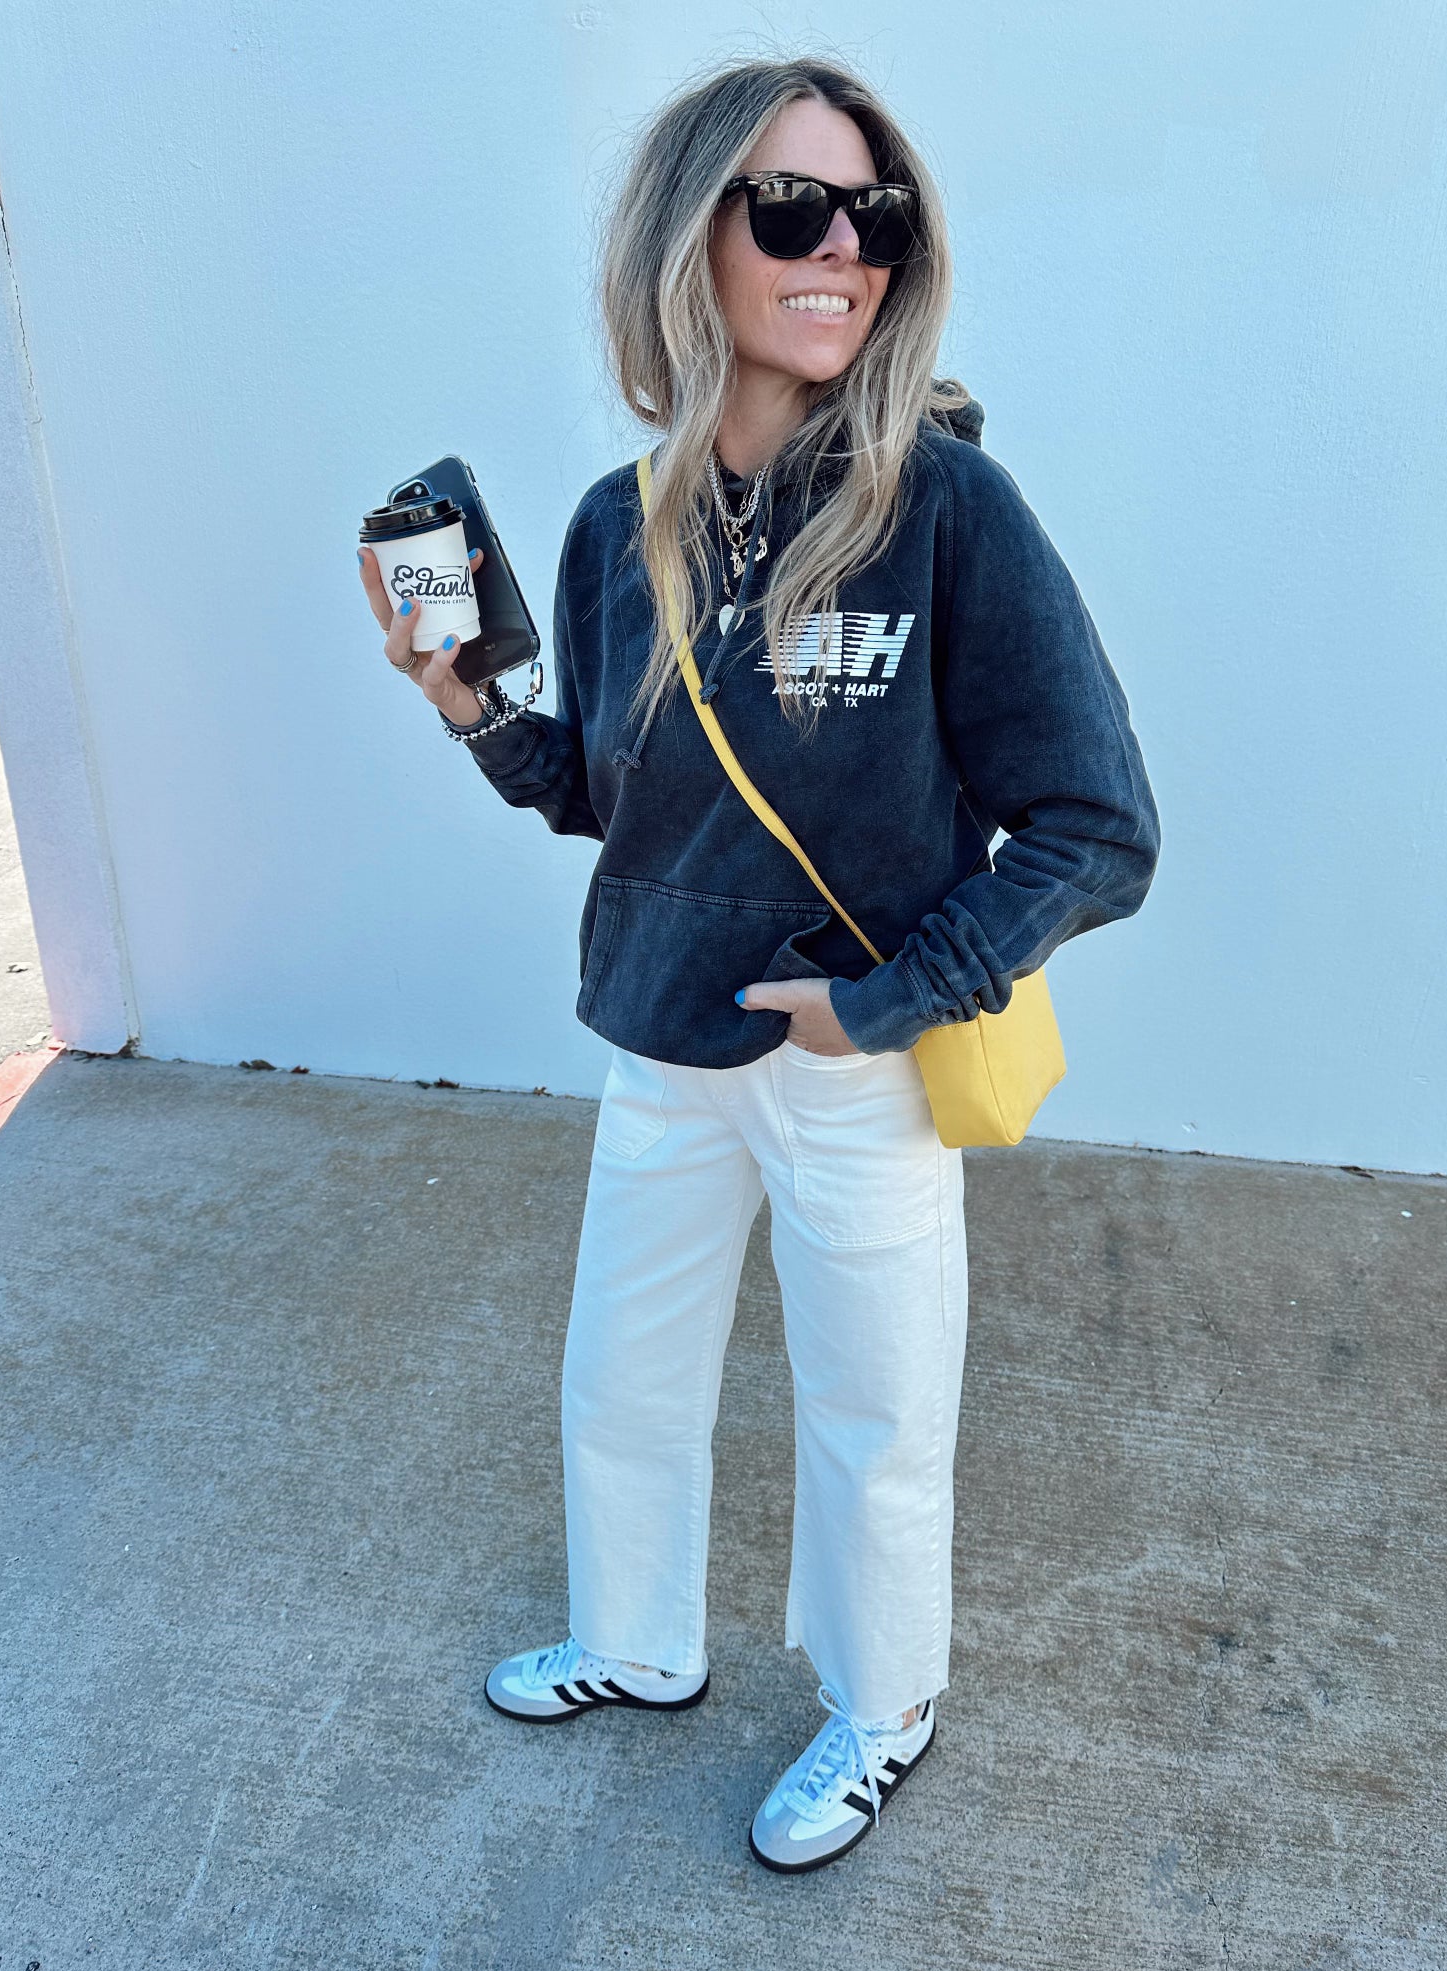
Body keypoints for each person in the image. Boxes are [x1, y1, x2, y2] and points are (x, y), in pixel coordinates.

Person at [357, 55, 1159, 1875]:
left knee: (876, 1411)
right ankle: (638, 1641)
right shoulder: (612, 522)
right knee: (622, 1379)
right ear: (687, 238)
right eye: (791, 208)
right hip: (660, 1030)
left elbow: (1099, 826)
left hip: (852, 1058)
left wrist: (887, 1002)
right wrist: (470, 706)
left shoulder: (943, 508)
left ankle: (883, 1708)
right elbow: (609, 796)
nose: (842, 249)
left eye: (874, 215)